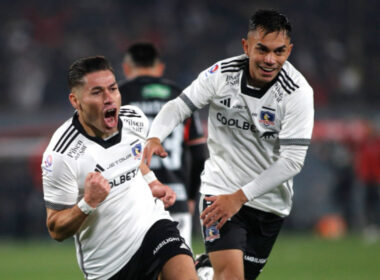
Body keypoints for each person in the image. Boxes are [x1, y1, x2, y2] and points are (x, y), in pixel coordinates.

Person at [143, 10, 314, 280]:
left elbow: (292, 161)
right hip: (219, 191)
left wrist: (240, 198)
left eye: (279, 51)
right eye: (262, 50)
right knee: (231, 277)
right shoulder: (222, 75)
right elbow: (179, 106)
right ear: (246, 46)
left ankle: (201, 267)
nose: (270, 60)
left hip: (269, 203)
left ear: (289, 51)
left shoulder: (297, 93)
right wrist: (154, 136)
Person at [41, 55, 198, 280]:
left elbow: (134, 160)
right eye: (97, 92)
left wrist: (152, 182)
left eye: (113, 89)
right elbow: (56, 228)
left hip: (153, 227)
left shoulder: (135, 120)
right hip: (109, 265)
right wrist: (88, 203)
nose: (109, 99)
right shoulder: (61, 155)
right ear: (75, 101)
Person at [119, 42, 208, 247]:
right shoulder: (180, 97)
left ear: (126, 68)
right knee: (178, 270)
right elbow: (200, 155)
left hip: (131, 198)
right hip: (176, 196)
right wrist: (191, 198)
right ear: (159, 68)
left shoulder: (117, 97)